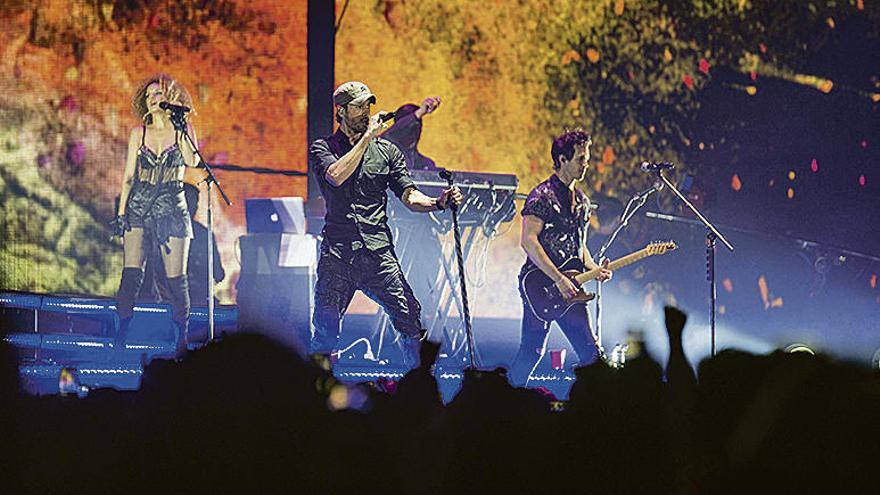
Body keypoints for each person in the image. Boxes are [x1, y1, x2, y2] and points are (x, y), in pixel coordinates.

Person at [308, 81, 463, 368]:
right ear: (340, 111)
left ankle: (419, 387)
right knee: (326, 330)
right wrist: (367, 137)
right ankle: (315, 393)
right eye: (358, 106)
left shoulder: (388, 152)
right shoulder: (324, 148)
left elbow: (409, 194)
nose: (366, 112)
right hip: (338, 255)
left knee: (409, 317)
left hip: (378, 254)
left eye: (368, 104)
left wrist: (437, 203)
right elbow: (335, 176)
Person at [510, 130, 612, 386]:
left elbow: (579, 246)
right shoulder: (542, 196)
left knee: (590, 354)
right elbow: (528, 241)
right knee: (532, 351)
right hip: (541, 285)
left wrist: (593, 268)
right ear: (563, 159)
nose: (585, 164)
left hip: (571, 288)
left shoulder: (583, 202)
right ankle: (506, 400)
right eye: (580, 158)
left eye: (586, 158)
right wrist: (557, 278)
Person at [110, 74, 201, 358]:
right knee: (131, 274)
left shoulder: (182, 130)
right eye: (148, 96)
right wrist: (122, 213)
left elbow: (192, 161)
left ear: (170, 98)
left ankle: (181, 336)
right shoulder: (139, 133)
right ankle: (121, 331)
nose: (152, 99)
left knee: (177, 278)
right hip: (139, 205)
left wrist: (181, 126)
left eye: (158, 94)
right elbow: (128, 177)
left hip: (173, 205)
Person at [380, 96, 441, 170]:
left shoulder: (423, 163)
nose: (415, 131)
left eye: (418, 126)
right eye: (411, 127)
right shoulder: (383, 148)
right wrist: (420, 112)